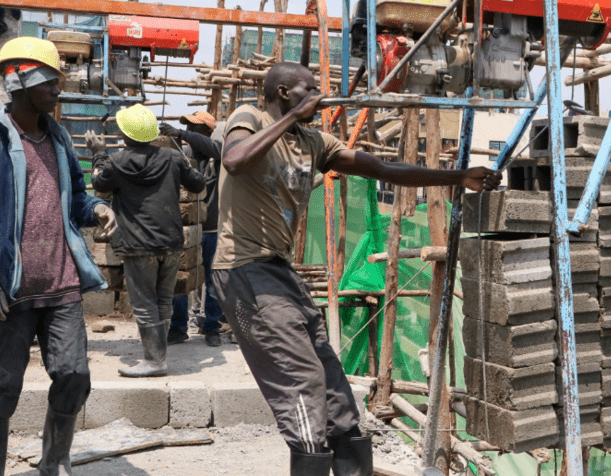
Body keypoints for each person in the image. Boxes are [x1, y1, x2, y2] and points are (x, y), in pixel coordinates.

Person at [213, 61, 501, 476]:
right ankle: (310, 458)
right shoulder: (249, 118)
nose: (318, 96)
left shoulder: (314, 142)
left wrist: (458, 176)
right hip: (243, 268)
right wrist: (294, 117)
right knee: (303, 382)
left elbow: (383, 169)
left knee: (335, 390)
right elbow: (235, 160)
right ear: (282, 93)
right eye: (308, 89)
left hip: (278, 270)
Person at [0, 37, 118, 476]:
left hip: (61, 282)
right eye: (50, 83)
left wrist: (98, 209)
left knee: (73, 375)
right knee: (1, 388)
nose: (58, 91)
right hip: (10, 288)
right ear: (23, 83)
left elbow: (77, 200)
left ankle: (54, 463)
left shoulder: (60, 138)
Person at [86, 104, 205, 377]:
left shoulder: (117, 161)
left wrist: (99, 154)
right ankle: (158, 356)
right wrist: (186, 163)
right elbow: (197, 184)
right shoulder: (173, 158)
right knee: (163, 300)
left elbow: (101, 185)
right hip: (172, 243)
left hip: (138, 245)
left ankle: (154, 361)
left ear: (124, 135)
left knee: (144, 304)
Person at [160, 111, 224, 347]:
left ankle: (212, 327)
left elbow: (216, 148)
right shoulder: (183, 155)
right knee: (181, 279)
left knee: (213, 280)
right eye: (187, 129)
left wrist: (181, 133)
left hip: (211, 230)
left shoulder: (218, 156)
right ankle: (178, 327)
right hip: (184, 231)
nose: (189, 134)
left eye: (194, 129)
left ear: (207, 132)